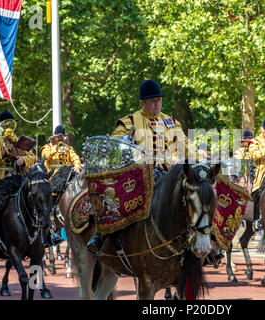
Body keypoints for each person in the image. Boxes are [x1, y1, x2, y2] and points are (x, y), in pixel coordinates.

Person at [86, 80, 204, 254]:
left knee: (197, 195)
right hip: (138, 173)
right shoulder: (130, 121)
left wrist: (200, 159)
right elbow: (115, 143)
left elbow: (185, 144)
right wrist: (131, 150)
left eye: (159, 100)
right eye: (153, 101)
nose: (157, 104)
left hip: (166, 173)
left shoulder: (170, 122)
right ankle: (102, 235)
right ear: (143, 103)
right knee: (116, 197)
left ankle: (204, 239)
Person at [0, 110, 36, 253]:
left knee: (37, 195)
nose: (8, 129)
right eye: (5, 125)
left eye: (10, 125)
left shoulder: (17, 140)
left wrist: (23, 159)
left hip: (17, 177)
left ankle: (43, 234)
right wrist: (3, 153)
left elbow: (33, 157)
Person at [40, 125, 82, 246]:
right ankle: (51, 217)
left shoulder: (68, 147)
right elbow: (45, 157)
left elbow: (75, 157)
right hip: (53, 175)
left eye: (62, 135)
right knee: (52, 192)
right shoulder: (47, 147)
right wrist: (55, 147)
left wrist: (77, 165)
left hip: (68, 173)